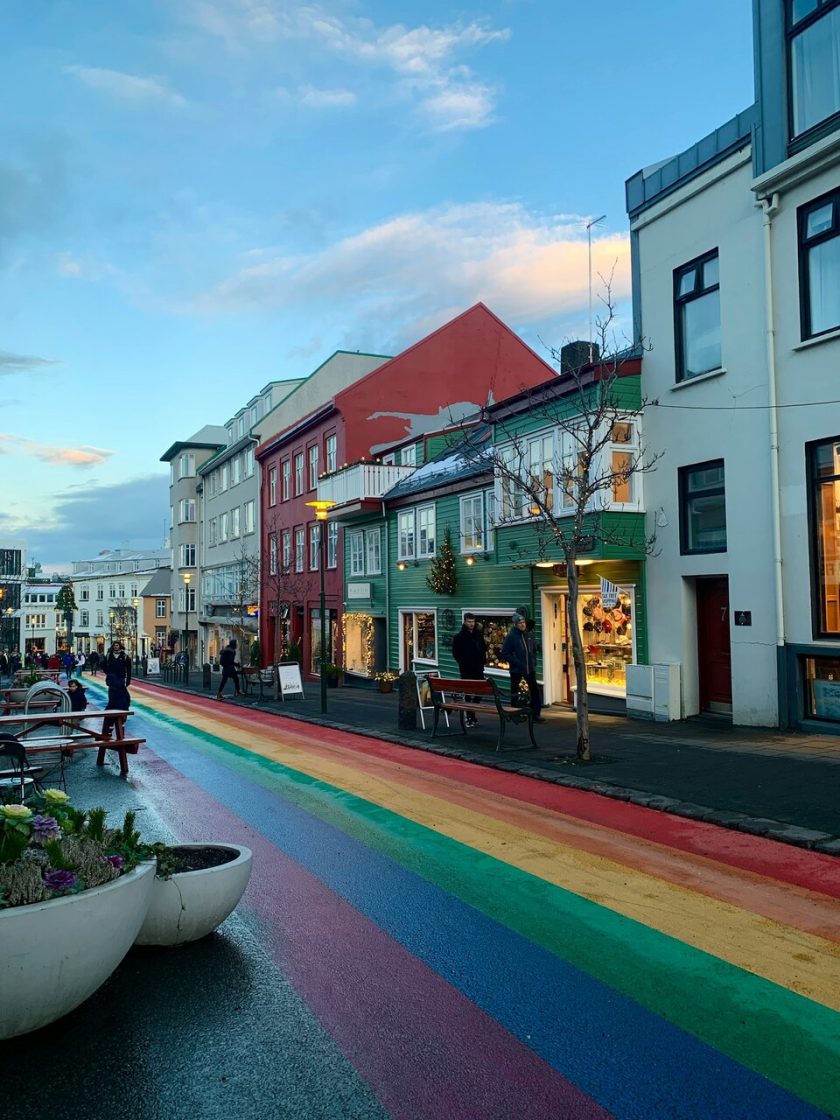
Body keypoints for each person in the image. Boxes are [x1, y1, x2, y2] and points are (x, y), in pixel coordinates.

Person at [500, 613, 545, 723]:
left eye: (523, 622)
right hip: (517, 669)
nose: (522, 624)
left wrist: (533, 661)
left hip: (529, 668)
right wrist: (517, 662)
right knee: (515, 690)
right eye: (520, 623)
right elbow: (505, 653)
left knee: (534, 690)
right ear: (515, 624)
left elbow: (533, 649)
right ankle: (514, 713)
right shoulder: (511, 637)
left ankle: (536, 714)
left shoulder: (528, 635)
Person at [451, 614, 487, 727]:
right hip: (466, 668)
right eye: (469, 622)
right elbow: (456, 652)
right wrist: (463, 661)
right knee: (467, 693)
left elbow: (483, 649)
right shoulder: (460, 637)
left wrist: (482, 661)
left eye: (473, 621)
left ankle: (472, 714)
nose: (471, 624)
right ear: (465, 622)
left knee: (479, 692)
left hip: (478, 668)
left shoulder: (478, 635)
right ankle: (470, 716)